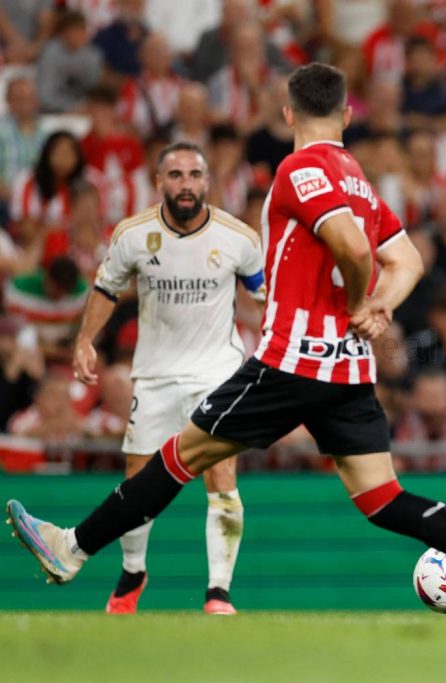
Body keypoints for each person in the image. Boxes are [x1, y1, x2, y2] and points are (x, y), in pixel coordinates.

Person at [6, 62, 446, 621]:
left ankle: (71, 549)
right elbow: (404, 259)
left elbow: (354, 252)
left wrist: (365, 299)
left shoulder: (298, 168)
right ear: (347, 114)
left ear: (288, 113)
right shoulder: (359, 180)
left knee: (177, 456)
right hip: (351, 371)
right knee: (382, 497)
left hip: (291, 362)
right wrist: (382, 303)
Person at [65, 141, 265, 615]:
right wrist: (84, 340)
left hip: (217, 375)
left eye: (195, 175)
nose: (186, 184)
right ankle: (134, 570)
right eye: (175, 175)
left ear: (207, 182)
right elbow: (105, 288)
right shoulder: (133, 235)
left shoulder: (238, 238)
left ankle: (218, 591)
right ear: (159, 183)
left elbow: (265, 297)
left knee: (221, 474)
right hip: (154, 375)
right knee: (138, 482)